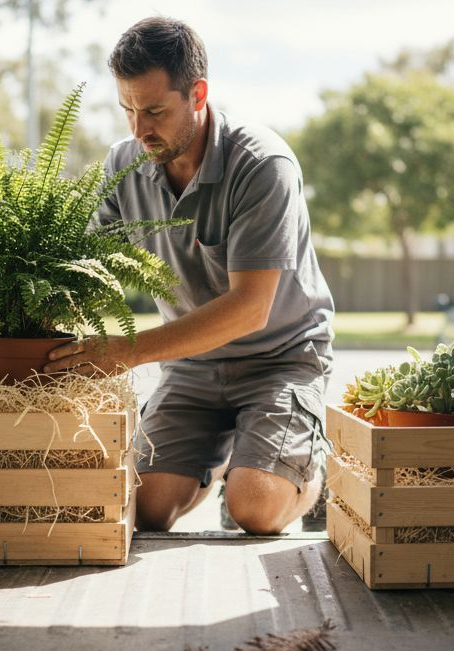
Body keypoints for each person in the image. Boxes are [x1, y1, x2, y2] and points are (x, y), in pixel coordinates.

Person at [44, 16, 335, 535]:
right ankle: (233, 455)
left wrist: (125, 352)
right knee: (145, 510)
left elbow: (251, 308)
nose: (139, 130)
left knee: (255, 509)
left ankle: (306, 474)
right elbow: (83, 264)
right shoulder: (124, 164)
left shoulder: (263, 164)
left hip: (281, 359)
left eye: (154, 110)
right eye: (128, 110)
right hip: (190, 368)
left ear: (197, 93)